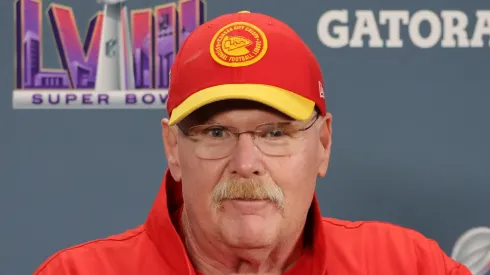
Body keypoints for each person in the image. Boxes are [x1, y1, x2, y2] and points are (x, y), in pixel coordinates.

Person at [34, 11, 471, 275]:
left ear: (323, 143)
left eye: (275, 133)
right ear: (172, 148)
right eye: (216, 133)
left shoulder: (408, 266)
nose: (246, 163)